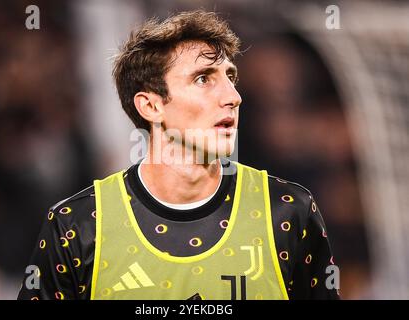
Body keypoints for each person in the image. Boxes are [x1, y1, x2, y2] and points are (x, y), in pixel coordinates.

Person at [18, 10, 338, 300]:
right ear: (151, 106)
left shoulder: (287, 212)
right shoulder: (77, 224)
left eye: (230, 77)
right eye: (203, 78)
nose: (233, 97)